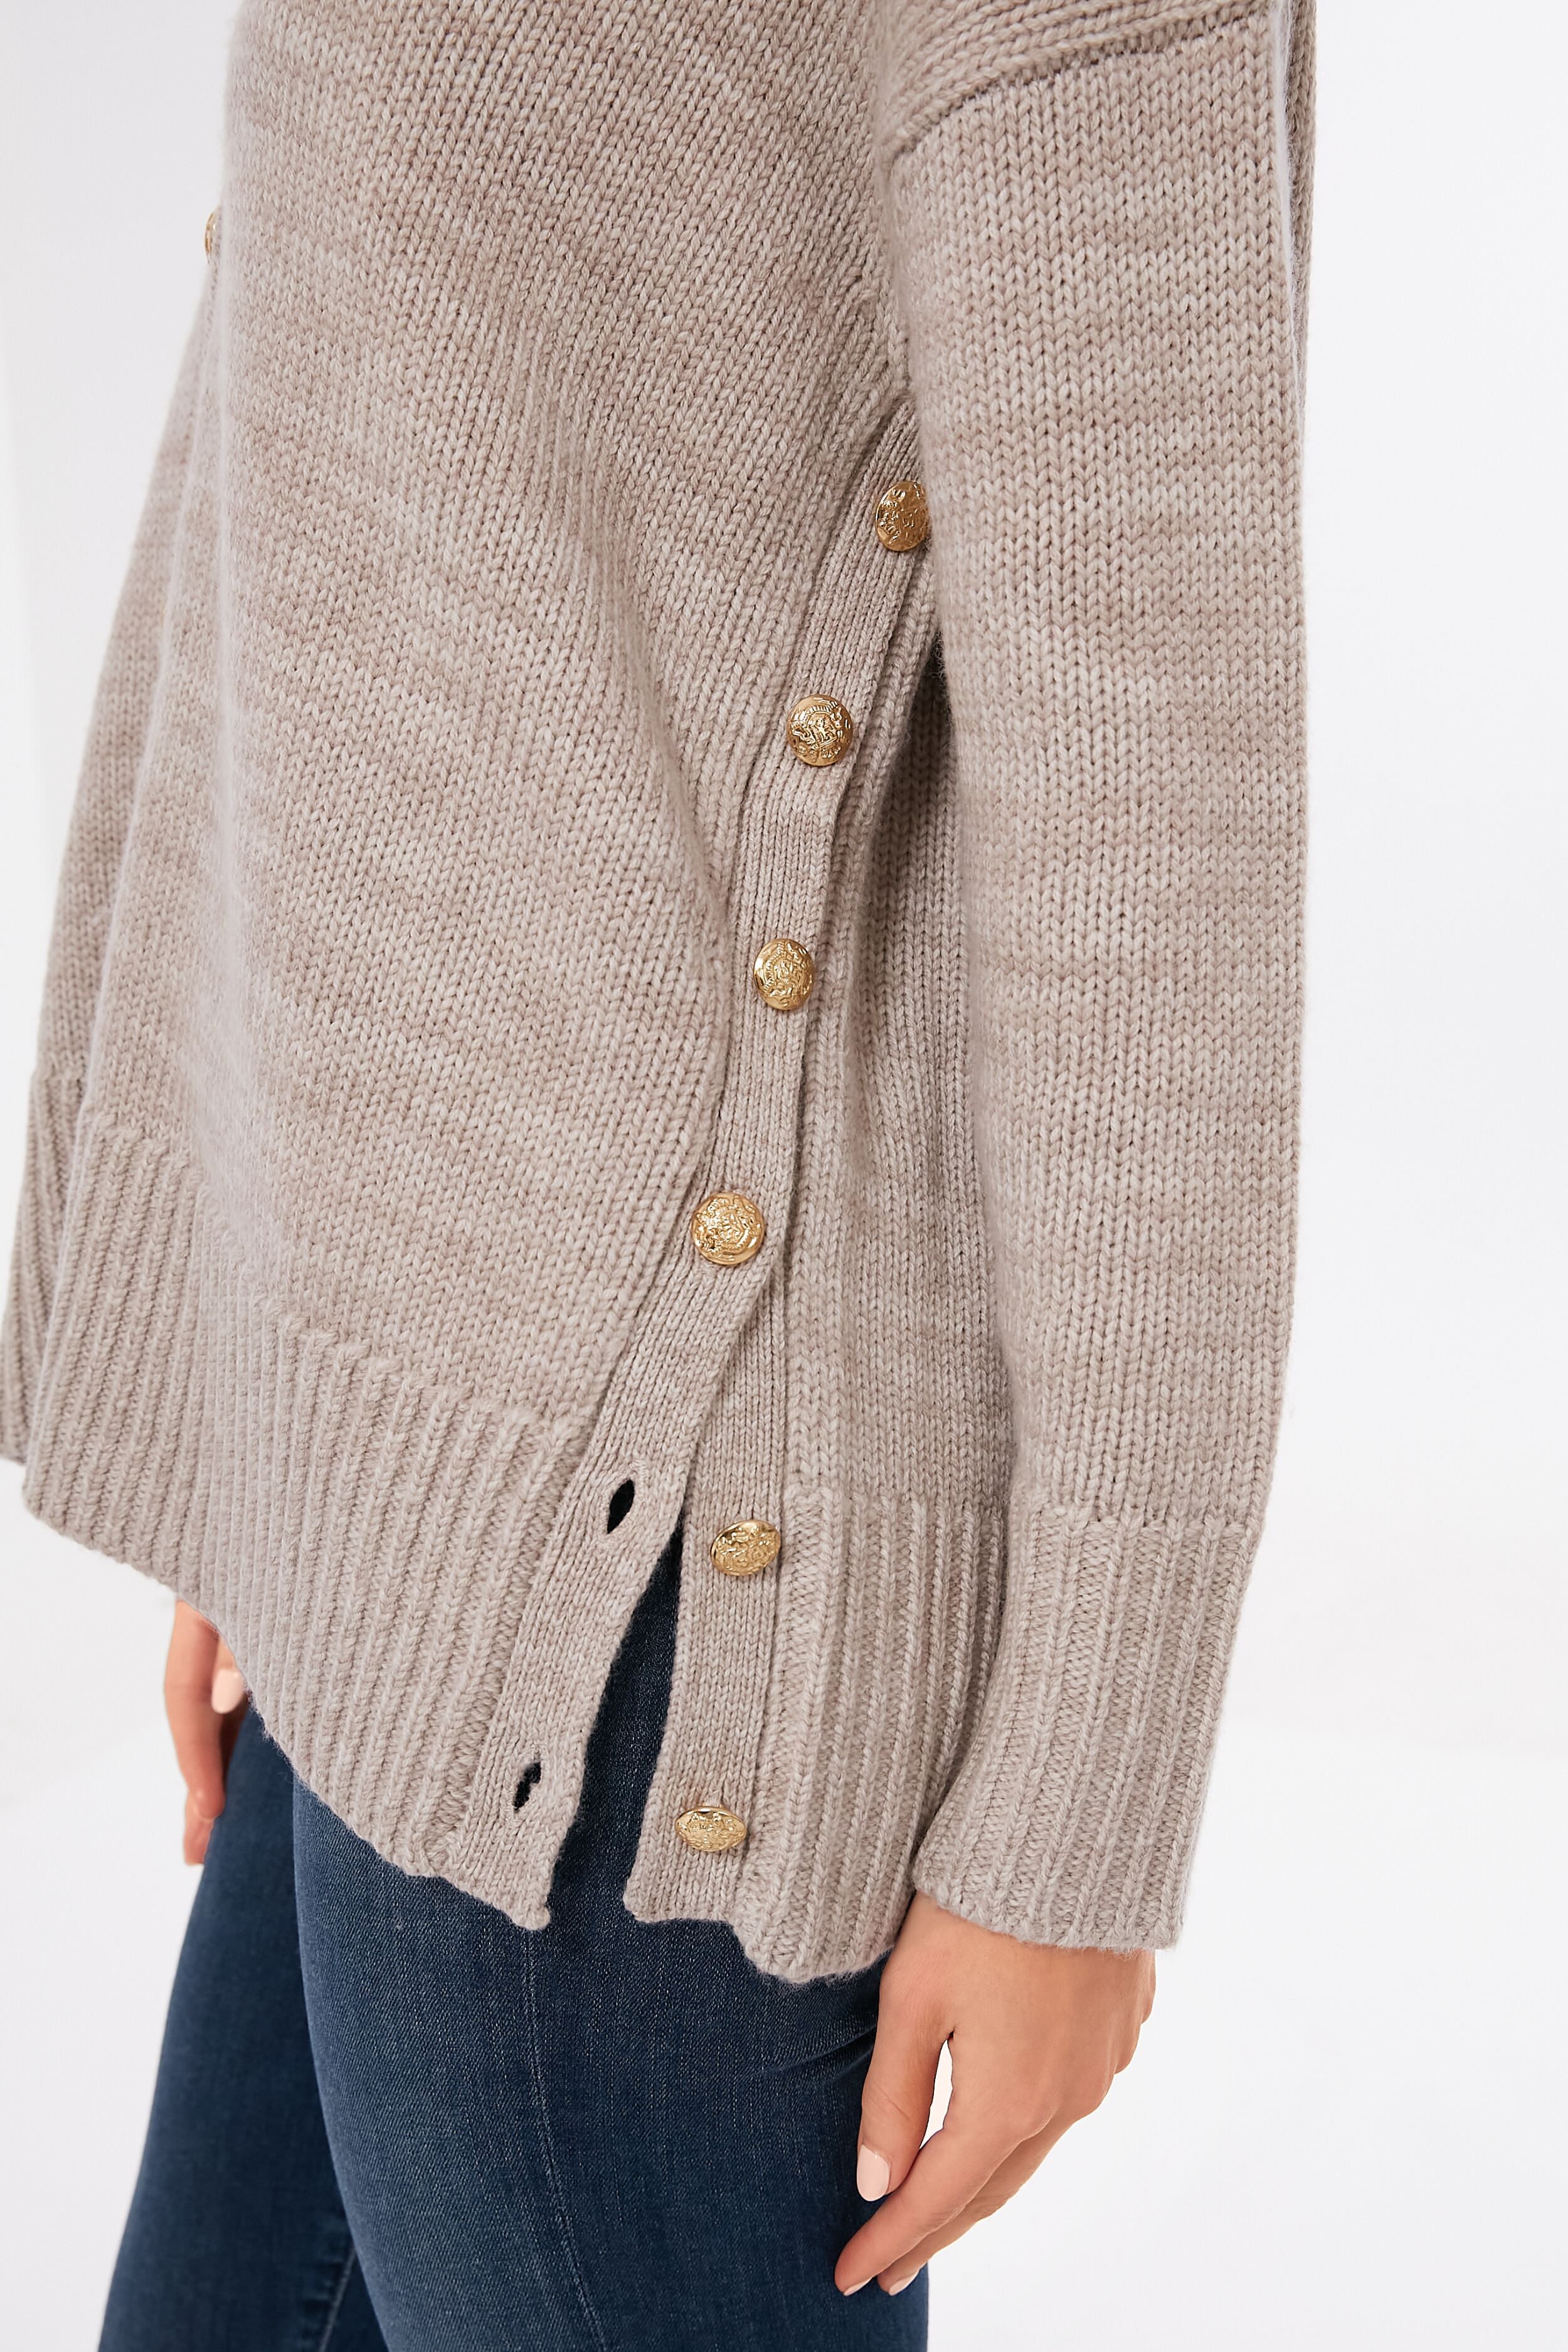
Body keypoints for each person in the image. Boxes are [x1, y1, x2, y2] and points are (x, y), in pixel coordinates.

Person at [0, 2, 1314, 2345]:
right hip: (391, 1499)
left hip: (653, 1605)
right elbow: (339, 435)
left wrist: (1082, 1812)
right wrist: (279, 1424)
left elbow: (1149, 837)